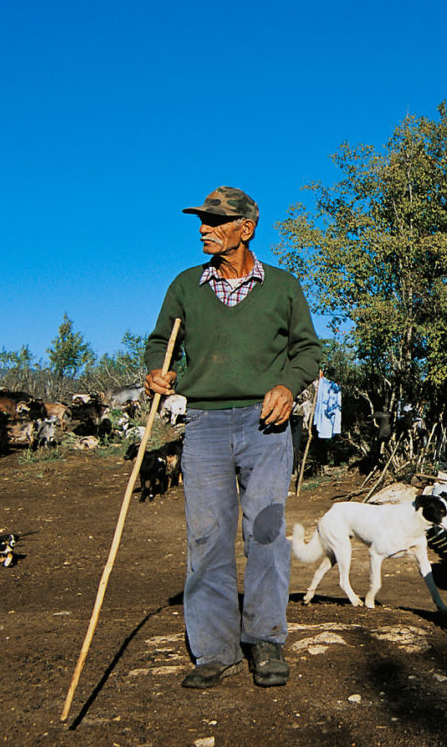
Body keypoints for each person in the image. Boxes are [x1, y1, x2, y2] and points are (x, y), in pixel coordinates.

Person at [144, 186, 321, 689]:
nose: (204, 228)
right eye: (201, 220)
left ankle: (265, 640)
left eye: (215, 221)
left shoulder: (283, 287)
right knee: (207, 536)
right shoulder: (186, 286)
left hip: (265, 424)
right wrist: (157, 372)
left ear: (246, 229)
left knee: (264, 533)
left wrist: (288, 386)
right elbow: (160, 343)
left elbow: (308, 351)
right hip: (203, 423)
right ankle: (214, 650)